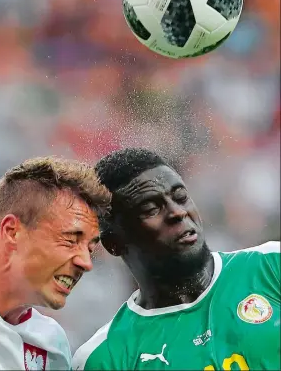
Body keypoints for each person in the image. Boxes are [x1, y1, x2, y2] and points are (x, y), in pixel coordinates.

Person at [73, 148, 280, 371]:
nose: (178, 212)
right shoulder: (105, 358)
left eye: (181, 197)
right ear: (114, 243)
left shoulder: (271, 266)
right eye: (151, 209)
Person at [0, 156, 111, 371]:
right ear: (12, 231)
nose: (86, 263)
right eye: (70, 240)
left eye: (90, 249)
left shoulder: (53, 347)